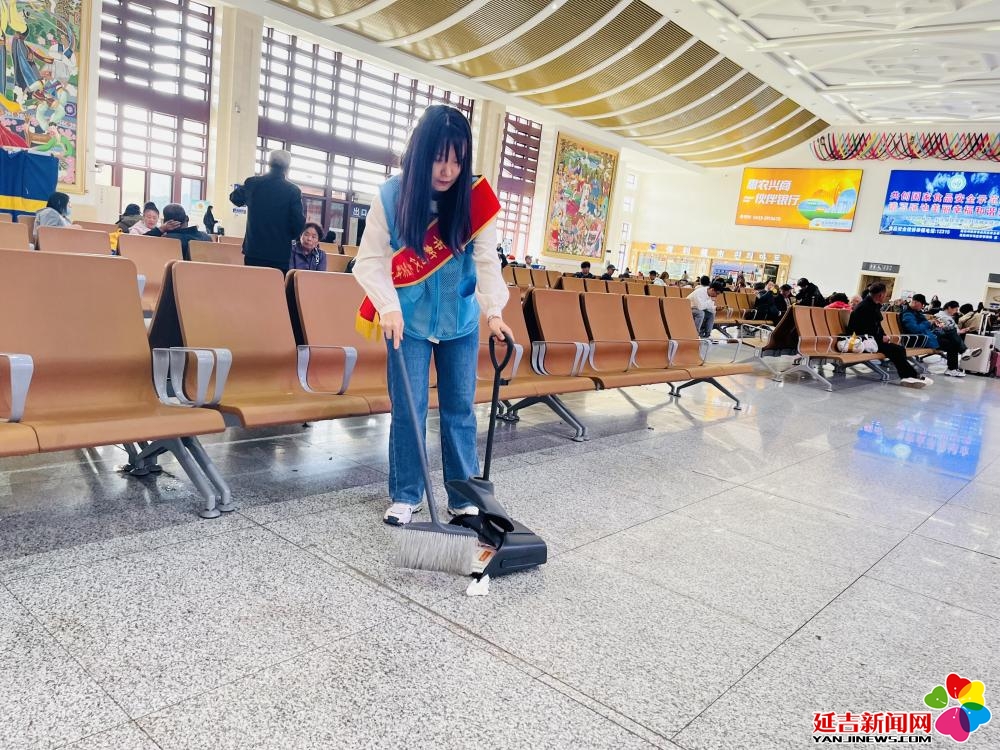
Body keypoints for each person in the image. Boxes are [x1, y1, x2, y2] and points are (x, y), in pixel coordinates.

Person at [353, 104, 513, 527]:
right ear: (421, 153)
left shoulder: (475, 199)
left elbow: (486, 261)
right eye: (439, 158)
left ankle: (463, 497)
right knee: (410, 409)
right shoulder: (391, 195)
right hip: (407, 322)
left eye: (457, 161)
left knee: (460, 409)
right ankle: (407, 494)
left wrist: (494, 313)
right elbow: (369, 261)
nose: (447, 170)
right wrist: (388, 306)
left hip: (461, 321)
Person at [230, 149, 305, 273]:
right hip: (280, 253)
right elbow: (298, 222)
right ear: (287, 167)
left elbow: (234, 198)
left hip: (254, 251)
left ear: (268, 164)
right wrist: (287, 236)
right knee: (276, 285)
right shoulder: (293, 190)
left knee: (253, 283)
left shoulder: (253, 183)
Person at [847, 283, 931, 388]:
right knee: (896, 350)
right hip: (863, 340)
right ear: (881, 295)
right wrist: (880, 337)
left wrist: (884, 336)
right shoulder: (865, 307)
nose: (886, 297)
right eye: (886, 294)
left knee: (899, 349)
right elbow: (863, 329)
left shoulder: (872, 305)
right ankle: (910, 376)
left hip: (871, 339)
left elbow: (876, 326)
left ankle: (909, 376)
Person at [900, 293, 970, 377]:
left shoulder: (916, 313)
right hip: (919, 340)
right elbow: (914, 329)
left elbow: (923, 326)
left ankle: (960, 358)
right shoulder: (908, 314)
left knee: (951, 333)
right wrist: (929, 323)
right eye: (922, 304)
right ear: (915, 302)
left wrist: (934, 323)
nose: (922, 306)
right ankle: (962, 353)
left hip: (926, 337)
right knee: (952, 339)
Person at [144, 203, 211, 261]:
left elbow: (141, 242)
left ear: (165, 222)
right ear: (187, 218)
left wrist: (161, 229)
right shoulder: (206, 237)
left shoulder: (166, 240)